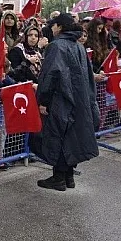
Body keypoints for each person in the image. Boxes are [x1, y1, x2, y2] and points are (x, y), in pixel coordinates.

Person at [36, 14, 99, 191]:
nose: (51, 28)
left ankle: (58, 178)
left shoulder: (56, 46)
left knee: (58, 137)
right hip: (79, 100)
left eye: (53, 25)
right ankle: (68, 176)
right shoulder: (78, 46)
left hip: (60, 99)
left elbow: (50, 76)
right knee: (71, 137)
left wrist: (43, 100)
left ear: (60, 27)